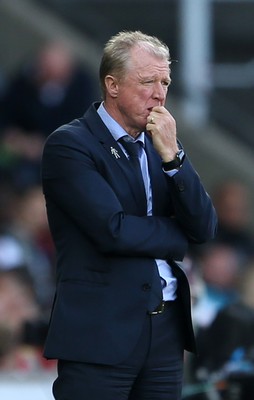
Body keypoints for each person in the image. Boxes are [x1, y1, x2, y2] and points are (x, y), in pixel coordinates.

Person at [41, 31, 217, 400]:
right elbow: (113, 230)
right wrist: (176, 236)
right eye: (147, 81)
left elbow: (204, 227)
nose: (159, 92)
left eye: (165, 81)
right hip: (100, 332)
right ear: (113, 84)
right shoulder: (70, 144)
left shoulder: (163, 145)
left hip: (166, 330)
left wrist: (175, 160)